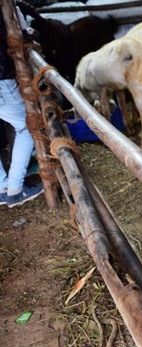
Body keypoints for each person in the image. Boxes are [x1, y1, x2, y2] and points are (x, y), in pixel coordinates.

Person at [0, 7, 43, 208]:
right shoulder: (6, 6)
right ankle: (15, 190)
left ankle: (2, 186)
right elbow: (22, 33)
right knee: (26, 127)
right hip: (1, 81)